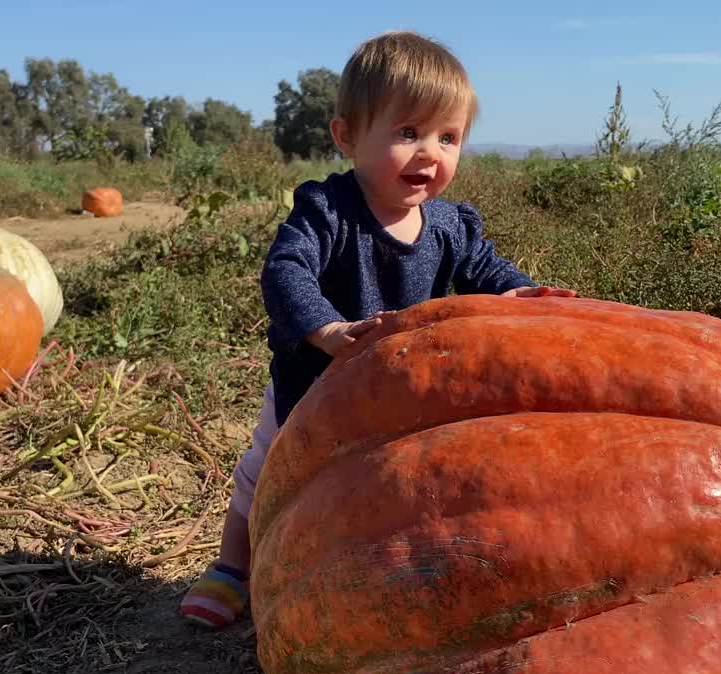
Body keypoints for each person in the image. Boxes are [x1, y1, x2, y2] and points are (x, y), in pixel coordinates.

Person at [178, 29, 576, 629]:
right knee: (264, 473)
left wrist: (517, 291)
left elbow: (485, 269)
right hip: (314, 383)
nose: (429, 154)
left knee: (371, 489)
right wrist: (328, 330)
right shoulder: (328, 211)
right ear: (347, 136)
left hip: (395, 395)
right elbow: (286, 271)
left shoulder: (449, 225)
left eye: (448, 137)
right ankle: (233, 565)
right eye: (407, 133)